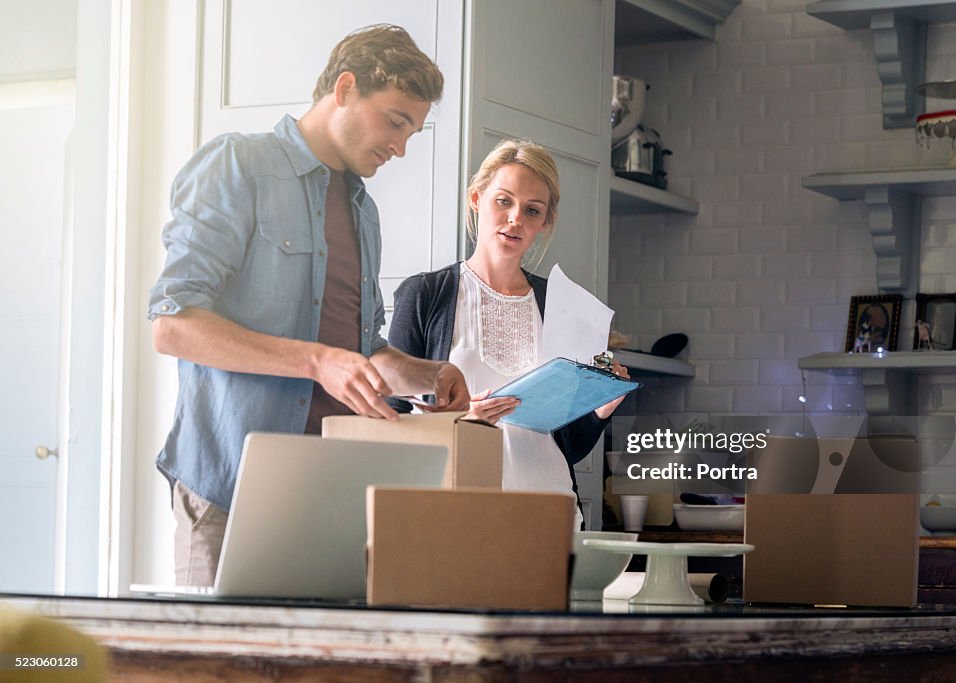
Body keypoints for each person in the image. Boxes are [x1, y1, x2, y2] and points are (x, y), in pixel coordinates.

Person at [148, 24, 470, 586]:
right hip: (228, 485)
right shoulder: (238, 165)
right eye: (396, 121)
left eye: (413, 132)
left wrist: (428, 374)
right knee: (221, 671)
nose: (401, 146)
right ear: (345, 89)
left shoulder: (364, 211)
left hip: (332, 488)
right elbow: (174, 327)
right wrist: (316, 360)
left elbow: (364, 349)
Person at [388, 139, 629, 530]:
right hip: (453, 516)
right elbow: (388, 422)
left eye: (532, 210)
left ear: (544, 222)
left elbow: (566, 444)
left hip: (550, 515)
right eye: (504, 201)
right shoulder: (425, 295)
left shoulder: (561, 305)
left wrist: (602, 408)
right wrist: (462, 422)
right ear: (476, 198)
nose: (516, 217)